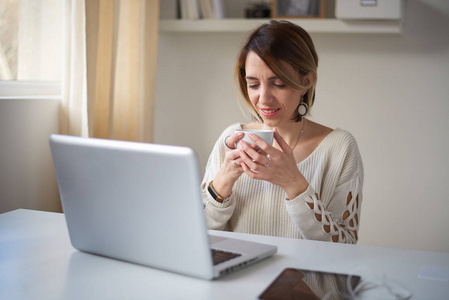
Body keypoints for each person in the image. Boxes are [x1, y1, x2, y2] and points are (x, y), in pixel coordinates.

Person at [201, 20, 364, 244]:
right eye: (254, 84)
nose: (264, 98)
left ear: (307, 81)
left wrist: (294, 184)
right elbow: (195, 234)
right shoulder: (231, 140)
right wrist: (222, 183)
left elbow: (345, 246)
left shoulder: (339, 147)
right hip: (241, 279)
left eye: (278, 83)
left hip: (307, 280)